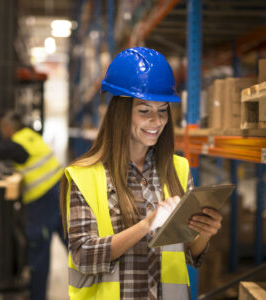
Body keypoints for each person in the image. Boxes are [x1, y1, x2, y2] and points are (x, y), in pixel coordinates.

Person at [60, 47, 222, 300]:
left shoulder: (178, 169)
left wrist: (205, 232)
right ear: (121, 114)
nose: (156, 121)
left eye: (162, 110)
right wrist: (147, 224)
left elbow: (189, 253)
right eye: (144, 111)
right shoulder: (85, 176)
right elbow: (83, 256)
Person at [0, 111, 66, 300]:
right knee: (72, 242)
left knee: (38, 249)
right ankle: (97, 285)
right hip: (60, 193)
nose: (2, 132)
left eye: (3, 128)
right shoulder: (29, 136)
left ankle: (37, 297)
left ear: (9, 128)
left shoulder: (16, 146)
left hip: (44, 199)